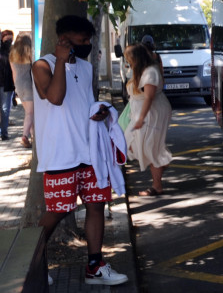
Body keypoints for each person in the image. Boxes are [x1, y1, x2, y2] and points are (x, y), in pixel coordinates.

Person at [31, 15, 129, 286]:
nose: (88, 44)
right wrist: (61, 60)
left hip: (90, 152)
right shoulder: (42, 65)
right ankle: (32, 263)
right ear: (63, 40)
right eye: (82, 40)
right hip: (60, 154)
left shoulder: (86, 68)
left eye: (89, 40)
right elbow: (55, 97)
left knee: (96, 205)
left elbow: (83, 102)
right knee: (57, 211)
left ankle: (95, 267)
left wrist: (99, 111)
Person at [123, 44, 173, 196]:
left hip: (151, 114)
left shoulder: (150, 72)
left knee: (150, 147)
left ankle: (157, 185)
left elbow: (149, 97)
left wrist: (141, 119)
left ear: (136, 58)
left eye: (129, 58)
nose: (127, 61)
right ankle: (162, 163)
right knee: (133, 144)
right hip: (143, 113)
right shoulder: (141, 71)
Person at [10, 34, 35, 148]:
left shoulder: (12, 55)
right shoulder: (30, 54)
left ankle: (33, 137)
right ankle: (25, 136)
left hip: (19, 85)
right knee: (30, 113)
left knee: (29, 113)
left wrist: (16, 88)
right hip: (29, 85)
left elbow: (14, 73)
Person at [0, 30, 14, 141]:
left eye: (11, 39)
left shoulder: (12, 51)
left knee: (5, 110)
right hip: (4, 83)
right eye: (7, 39)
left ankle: (4, 133)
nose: (9, 41)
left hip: (7, 84)